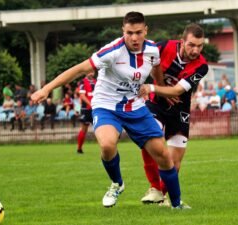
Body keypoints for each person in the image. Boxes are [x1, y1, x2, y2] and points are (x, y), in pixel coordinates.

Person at [31, 11, 185, 209]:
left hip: (136, 107)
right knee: (107, 144)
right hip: (106, 106)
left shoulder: (152, 50)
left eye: (138, 32)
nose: (134, 37)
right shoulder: (111, 51)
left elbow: (156, 70)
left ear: (145, 30)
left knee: (163, 154)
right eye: (129, 32)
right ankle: (117, 184)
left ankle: (176, 204)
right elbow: (78, 69)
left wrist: (162, 90)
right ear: (123, 31)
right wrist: (46, 89)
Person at [138, 23, 208, 207]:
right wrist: (160, 91)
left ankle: (161, 195)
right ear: (182, 41)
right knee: (150, 138)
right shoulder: (163, 47)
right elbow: (153, 66)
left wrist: (153, 87)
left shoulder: (202, 66)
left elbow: (177, 90)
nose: (196, 50)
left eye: (200, 46)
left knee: (175, 162)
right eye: (192, 45)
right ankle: (154, 188)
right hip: (156, 103)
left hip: (180, 107)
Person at [76, 71, 96, 154]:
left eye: (92, 72)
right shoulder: (82, 82)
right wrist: (91, 104)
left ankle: (105, 149)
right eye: (89, 72)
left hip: (96, 108)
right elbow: (82, 96)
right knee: (84, 128)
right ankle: (79, 148)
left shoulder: (96, 81)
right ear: (86, 73)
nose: (91, 73)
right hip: (87, 109)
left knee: (100, 128)